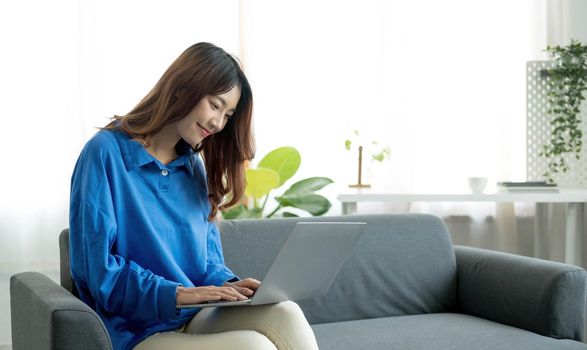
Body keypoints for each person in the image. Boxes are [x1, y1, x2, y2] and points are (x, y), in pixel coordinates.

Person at [69, 42, 319, 350]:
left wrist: (229, 286)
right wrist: (178, 294)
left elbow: (207, 262)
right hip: (135, 331)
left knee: (286, 312)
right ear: (182, 88)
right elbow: (98, 272)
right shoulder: (105, 153)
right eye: (215, 105)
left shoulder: (192, 166)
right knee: (256, 347)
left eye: (227, 114)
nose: (218, 123)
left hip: (192, 315)